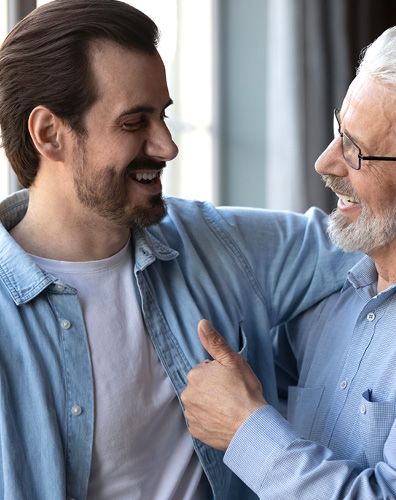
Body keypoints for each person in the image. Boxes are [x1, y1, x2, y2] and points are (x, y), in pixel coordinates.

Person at [0, 1, 362, 499]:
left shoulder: (213, 242)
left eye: (164, 117)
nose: (167, 146)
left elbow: (378, 236)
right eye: (134, 123)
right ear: (49, 134)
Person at [181, 24, 396, 499]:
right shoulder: (333, 287)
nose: (325, 162)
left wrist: (244, 428)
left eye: (356, 151)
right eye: (338, 133)